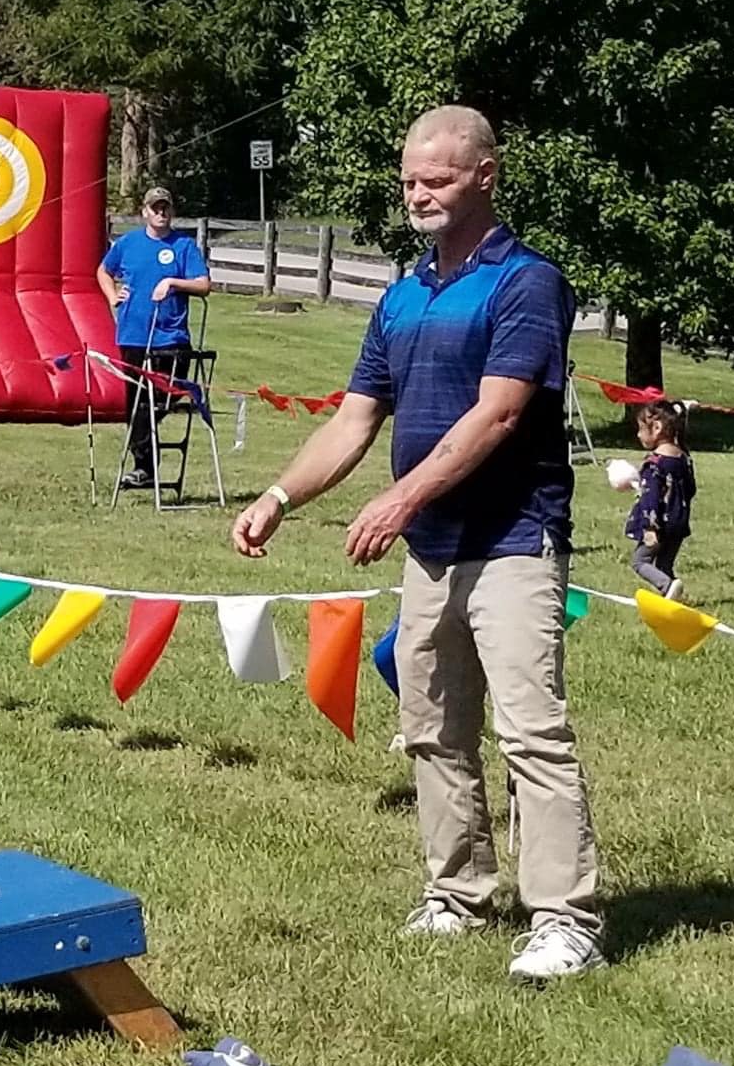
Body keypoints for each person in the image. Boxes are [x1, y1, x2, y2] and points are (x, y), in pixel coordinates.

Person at [229, 105, 604, 982]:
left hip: (512, 540)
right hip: (432, 552)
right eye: (409, 179)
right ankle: (458, 894)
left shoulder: (525, 282)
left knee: (530, 734)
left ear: (485, 174)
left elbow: (500, 412)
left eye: (437, 177)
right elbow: (355, 418)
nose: (419, 193)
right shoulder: (403, 294)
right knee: (431, 730)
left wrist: (398, 499)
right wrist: (280, 495)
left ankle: (564, 920)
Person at [97, 187, 211, 489]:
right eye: (155, 207)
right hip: (133, 335)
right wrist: (112, 296)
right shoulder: (128, 243)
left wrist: (172, 282)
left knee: (162, 398)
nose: (160, 212)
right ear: (144, 212)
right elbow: (104, 271)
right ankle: (143, 467)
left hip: (171, 337)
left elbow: (203, 284)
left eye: (165, 207)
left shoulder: (183, 246)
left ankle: (144, 459)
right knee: (136, 402)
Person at [626, 401, 695, 601]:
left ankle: (668, 586)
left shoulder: (654, 464)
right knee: (664, 565)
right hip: (679, 523)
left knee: (640, 562)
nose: (638, 435)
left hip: (659, 526)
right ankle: (676, 598)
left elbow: (651, 499)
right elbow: (690, 489)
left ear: (656, 428)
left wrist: (649, 527)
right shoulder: (683, 459)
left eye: (640, 429)